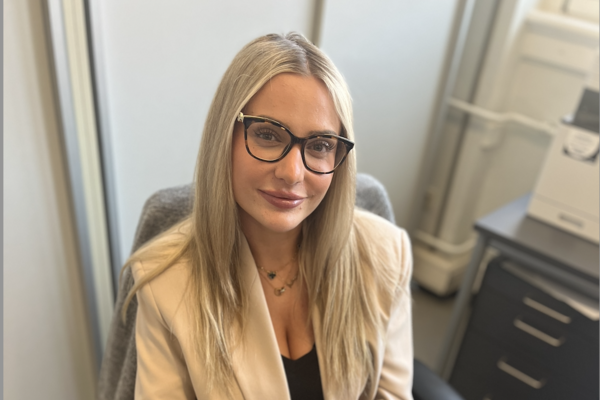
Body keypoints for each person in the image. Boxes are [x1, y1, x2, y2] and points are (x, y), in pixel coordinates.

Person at [113, 32, 413, 399]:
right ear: (224, 138)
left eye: (320, 145)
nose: (292, 173)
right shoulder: (165, 284)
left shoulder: (388, 254)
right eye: (268, 135)